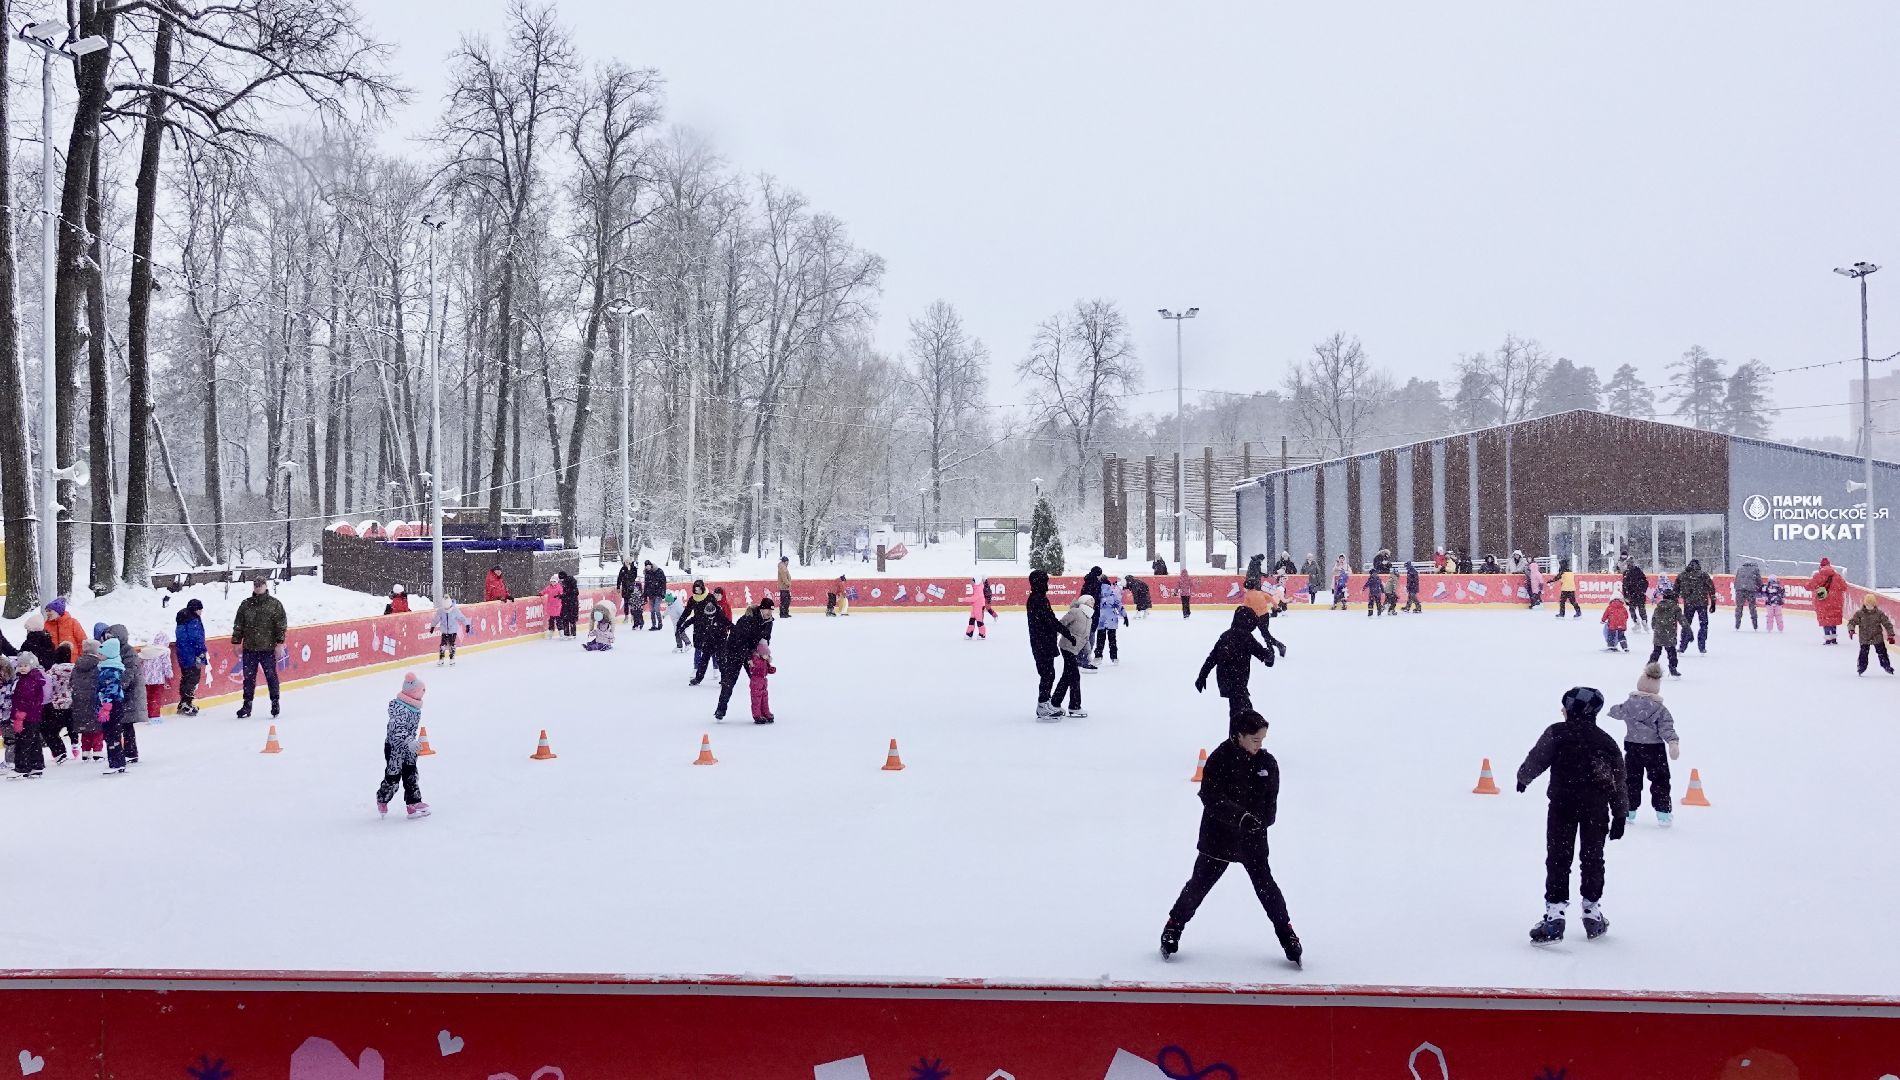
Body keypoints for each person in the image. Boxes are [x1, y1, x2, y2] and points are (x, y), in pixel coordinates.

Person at [1159, 710, 1301, 967]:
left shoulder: (1267, 763)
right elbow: (1210, 797)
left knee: (1267, 888)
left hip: (1253, 839)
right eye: (1255, 740)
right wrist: (1239, 817)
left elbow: (1271, 802)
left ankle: (1287, 934)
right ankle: (1173, 926)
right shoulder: (1220, 759)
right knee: (1199, 885)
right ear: (1239, 736)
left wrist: (1261, 821)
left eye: (1263, 740)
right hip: (1219, 838)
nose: (1260, 745)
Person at [1515, 686, 1627, 944]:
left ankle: (1554, 918)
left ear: (1572, 710)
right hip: (1595, 809)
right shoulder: (1606, 741)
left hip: (1562, 807)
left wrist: (1524, 776)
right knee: (1592, 858)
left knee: (1558, 857)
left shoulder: (1557, 733)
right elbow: (1618, 780)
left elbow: (1538, 757)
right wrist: (1619, 812)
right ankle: (1592, 913)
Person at [1610, 663, 1679, 827]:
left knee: (1631, 780)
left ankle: (1628, 811)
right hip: (1654, 749)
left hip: (1633, 747)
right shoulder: (1660, 709)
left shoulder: (1629, 704)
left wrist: (1615, 709)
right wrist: (1673, 742)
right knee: (1660, 780)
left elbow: (1615, 712)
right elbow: (1666, 727)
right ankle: (1663, 813)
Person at [1196, 608, 1277, 731]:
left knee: (1239, 711)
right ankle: (1237, 743)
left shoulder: (1226, 635)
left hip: (1225, 680)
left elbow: (1212, 658)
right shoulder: (1245, 636)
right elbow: (1261, 653)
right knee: (1243, 713)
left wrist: (1202, 676)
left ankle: (1238, 741)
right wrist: (1269, 654)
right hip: (1237, 681)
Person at [376, 673, 429, 819]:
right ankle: (382, 798)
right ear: (413, 694)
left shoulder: (413, 708)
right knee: (393, 779)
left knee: (411, 775)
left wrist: (414, 743)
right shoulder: (400, 709)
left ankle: (413, 804)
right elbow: (396, 730)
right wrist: (409, 741)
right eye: (421, 691)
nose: (424, 694)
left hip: (409, 749)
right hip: (395, 749)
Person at [231, 579, 287, 719]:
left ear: (265, 586)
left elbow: (281, 625)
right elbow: (239, 624)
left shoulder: (274, 604)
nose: (258, 587)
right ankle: (247, 705)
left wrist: (279, 643)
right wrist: (236, 642)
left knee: (271, 676)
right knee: (248, 678)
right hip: (250, 648)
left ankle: (275, 702)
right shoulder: (246, 604)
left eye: (260, 585)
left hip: (267, 648)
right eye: (256, 585)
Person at [714, 597, 774, 722]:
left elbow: (765, 640)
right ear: (761, 609)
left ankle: (761, 712)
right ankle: (721, 709)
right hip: (734, 651)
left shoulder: (769, 622)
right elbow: (740, 641)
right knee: (729, 682)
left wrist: (765, 654)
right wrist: (747, 657)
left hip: (752, 652)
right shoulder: (748, 620)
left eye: (771, 611)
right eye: (766, 610)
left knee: (758, 683)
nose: (769, 613)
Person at [1026, 569, 1076, 720]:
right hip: (1042, 641)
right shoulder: (1038, 599)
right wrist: (1067, 633)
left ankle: (1045, 702)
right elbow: (1050, 620)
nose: (1047, 584)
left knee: (1049, 673)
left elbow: (1050, 620)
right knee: (1047, 674)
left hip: (1044, 640)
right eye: (1045, 581)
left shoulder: (1038, 597)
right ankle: (1042, 705)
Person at [679, 584, 728, 685]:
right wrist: (683, 626)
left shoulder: (720, 616)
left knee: (721, 661)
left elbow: (730, 624)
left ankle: (725, 679)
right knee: (703, 661)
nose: (709, 617)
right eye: (707, 615)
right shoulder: (703, 616)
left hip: (720, 641)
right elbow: (693, 619)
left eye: (711, 615)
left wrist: (735, 633)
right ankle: (698, 679)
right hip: (709, 641)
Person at [9, 652, 47, 778]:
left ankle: (22, 767)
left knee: (23, 741)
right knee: (33, 740)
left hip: (26, 715)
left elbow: (26, 699)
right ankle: (36, 765)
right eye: (20, 665)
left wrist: (19, 715)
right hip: (33, 715)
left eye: (26, 665)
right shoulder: (26, 679)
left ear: (32, 666)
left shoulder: (29, 681)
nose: (22, 668)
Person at [97, 638, 130, 775]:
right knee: (109, 734)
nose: (98, 656)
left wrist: (107, 705)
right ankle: (114, 762)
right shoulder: (104, 668)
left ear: (109, 654)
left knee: (113, 734)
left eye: (101, 653)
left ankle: (117, 762)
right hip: (106, 705)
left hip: (112, 706)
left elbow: (111, 688)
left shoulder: (112, 670)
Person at [69, 641, 103, 762]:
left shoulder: (77, 664)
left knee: (85, 726)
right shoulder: (99, 664)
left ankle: (85, 751)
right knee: (97, 726)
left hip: (79, 698)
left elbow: (72, 681)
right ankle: (98, 751)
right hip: (94, 698)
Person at [1847, 594, 1896, 676]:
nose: (1869, 607)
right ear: (1865, 604)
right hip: (1864, 637)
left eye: (1871, 605)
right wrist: (1851, 629)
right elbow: (1852, 622)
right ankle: (1861, 667)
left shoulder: (1879, 613)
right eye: (1867, 605)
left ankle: (1886, 666)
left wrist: (1890, 635)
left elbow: (1887, 624)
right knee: (1863, 653)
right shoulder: (1859, 614)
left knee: (1882, 652)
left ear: (1874, 604)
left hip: (1877, 637)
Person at [174, 599, 208, 716]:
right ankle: (186, 702)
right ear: (196, 609)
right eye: (200, 609)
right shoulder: (193, 620)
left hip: (183, 653)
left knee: (186, 676)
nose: (201, 612)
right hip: (193, 654)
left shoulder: (182, 620)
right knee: (193, 677)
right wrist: (201, 651)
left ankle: (184, 701)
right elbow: (196, 638)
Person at [1674, 559, 1715, 652]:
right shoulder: (1703, 575)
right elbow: (1711, 589)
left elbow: (1675, 590)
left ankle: (1682, 645)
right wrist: (1713, 603)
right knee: (1703, 624)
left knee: (1686, 624)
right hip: (1702, 603)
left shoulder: (1682, 575)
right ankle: (1702, 646)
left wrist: (1675, 601)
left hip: (1688, 603)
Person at [43, 645, 73, 766]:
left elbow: (47, 687)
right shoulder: (74, 669)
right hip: (72, 704)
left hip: (56, 705)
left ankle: (59, 751)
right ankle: (76, 744)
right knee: (72, 727)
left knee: (50, 730)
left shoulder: (52, 671)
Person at [1808, 558, 1849, 645]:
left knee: (1825, 619)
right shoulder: (1837, 576)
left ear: (1820, 566)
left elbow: (1809, 586)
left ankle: (1827, 638)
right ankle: (1834, 638)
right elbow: (1844, 587)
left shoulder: (1818, 576)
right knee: (1833, 619)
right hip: (1836, 602)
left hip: (1822, 601)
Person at [138, 631, 174, 722]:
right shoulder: (164, 652)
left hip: (146, 679)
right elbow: (167, 666)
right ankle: (154, 716)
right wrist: (169, 676)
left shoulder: (146, 650)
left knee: (147, 697)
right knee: (155, 699)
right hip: (158, 680)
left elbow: (139, 662)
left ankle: (145, 715)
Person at [428, 597, 474, 665]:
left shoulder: (455, 610)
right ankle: (441, 659)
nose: (446, 609)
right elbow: (435, 619)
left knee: (452, 644)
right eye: (445, 608)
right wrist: (432, 626)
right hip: (444, 631)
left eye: (448, 608)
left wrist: (467, 625)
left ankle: (452, 658)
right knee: (442, 645)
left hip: (452, 631)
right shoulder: (441, 611)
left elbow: (462, 618)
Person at [1648, 586, 1683, 677]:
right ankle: (1673, 668)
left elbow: (1653, 622)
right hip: (1670, 634)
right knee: (1671, 652)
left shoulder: (1658, 608)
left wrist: (1657, 629)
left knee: (1656, 652)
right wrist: (1688, 630)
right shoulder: (1675, 608)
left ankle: (1649, 667)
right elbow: (1682, 620)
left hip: (1658, 634)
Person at [1095, 576, 1127, 663]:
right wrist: (1125, 615)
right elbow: (1118, 605)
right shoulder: (1112, 592)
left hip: (1101, 619)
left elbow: (1092, 604)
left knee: (1100, 639)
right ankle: (1114, 657)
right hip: (1112, 619)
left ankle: (1098, 656)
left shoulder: (1096, 591)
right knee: (1112, 639)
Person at [748, 639, 777, 723]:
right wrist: (764, 660)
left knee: (764, 699)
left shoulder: (764, 661)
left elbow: (767, 669)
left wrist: (771, 669)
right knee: (756, 699)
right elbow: (756, 666)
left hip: (763, 682)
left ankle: (765, 712)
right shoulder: (755, 659)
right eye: (765, 654)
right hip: (756, 682)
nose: (767, 656)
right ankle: (757, 715)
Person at [1733, 561, 1763, 630]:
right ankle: (1755, 625)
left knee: (1739, 607)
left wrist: (1737, 588)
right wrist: (1759, 588)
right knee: (1752, 608)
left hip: (1740, 590)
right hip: (1751, 590)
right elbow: (1759, 581)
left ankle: (1737, 624)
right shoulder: (1755, 569)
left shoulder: (1740, 569)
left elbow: (1736, 579)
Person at [1621, 559, 1650, 628]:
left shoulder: (1629, 572)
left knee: (1633, 609)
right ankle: (1642, 621)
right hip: (1637, 595)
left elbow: (1625, 586)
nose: (1629, 565)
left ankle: (1638, 622)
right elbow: (1645, 582)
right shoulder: (1637, 571)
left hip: (1634, 595)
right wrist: (1642, 590)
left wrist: (1626, 595)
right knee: (1639, 609)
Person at [643, 560, 669, 630]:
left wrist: (663, 592)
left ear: (651, 565)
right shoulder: (647, 573)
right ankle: (653, 625)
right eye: (646, 566)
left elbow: (663, 582)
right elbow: (646, 585)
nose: (647, 567)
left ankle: (660, 624)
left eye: (648, 565)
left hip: (658, 593)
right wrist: (645, 596)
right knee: (652, 610)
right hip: (651, 594)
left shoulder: (659, 571)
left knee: (656, 609)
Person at [539, 575, 564, 639]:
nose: (553, 583)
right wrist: (540, 593)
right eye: (552, 581)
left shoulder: (559, 587)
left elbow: (562, 593)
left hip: (557, 606)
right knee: (551, 621)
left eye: (554, 581)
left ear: (557, 582)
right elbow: (544, 591)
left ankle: (561, 634)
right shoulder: (549, 587)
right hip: (550, 606)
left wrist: (559, 596)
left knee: (559, 621)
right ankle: (550, 634)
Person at [616, 559, 641, 624]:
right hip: (625, 588)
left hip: (631, 588)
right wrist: (618, 587)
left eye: (628, 562)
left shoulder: (634, 568)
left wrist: (629, 570)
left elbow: (633, 577)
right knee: (626, 603)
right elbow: (619, 578)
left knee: (632, 603)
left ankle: (633, 617)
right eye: (626, 562)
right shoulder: (622, 569)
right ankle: (626, 617)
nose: (627, 563)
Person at [559, 571, 581, 639]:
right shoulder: (566, 583)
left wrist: (563, 596)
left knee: (570, 618)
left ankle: (572, 633)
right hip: (567, 604)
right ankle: (567, 633)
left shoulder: (570, 584)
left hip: (571, 604)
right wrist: (562, 596)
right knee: (566, 618)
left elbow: (573, 593)